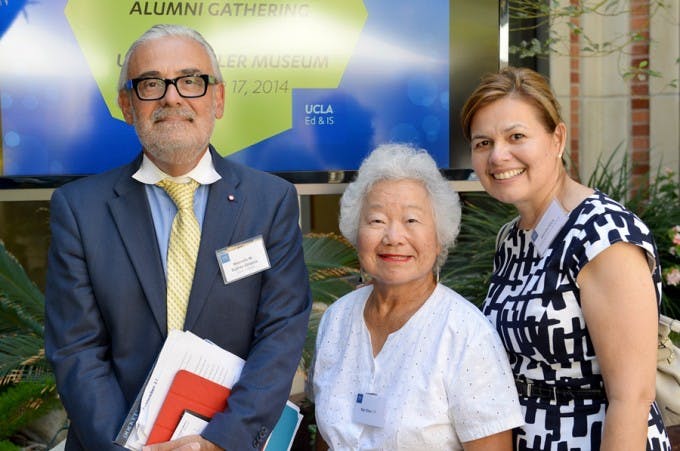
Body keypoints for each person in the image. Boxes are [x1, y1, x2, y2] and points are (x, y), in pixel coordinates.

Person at [44, 24, 312, 451]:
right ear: (127, 106)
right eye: (152, 84)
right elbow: (76, 349)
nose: (172, 97)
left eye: (190, 81)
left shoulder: (270, 201)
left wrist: (220, 441)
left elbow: (279, 334)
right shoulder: (79, 209)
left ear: (218, 98)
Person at [460, 66, 671, 450]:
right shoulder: (512, 238)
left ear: (557, 138)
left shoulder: (604, 236)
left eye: (516, 136)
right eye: (483, 143)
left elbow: (632, 398)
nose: (498, 155)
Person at [309, 143, 524, 450]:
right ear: (356, 234)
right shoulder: (336, 319)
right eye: (377, 221)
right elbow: (328, 439)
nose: (393, 237)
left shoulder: (467, 335)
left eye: (411, 220)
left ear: (439, 239)